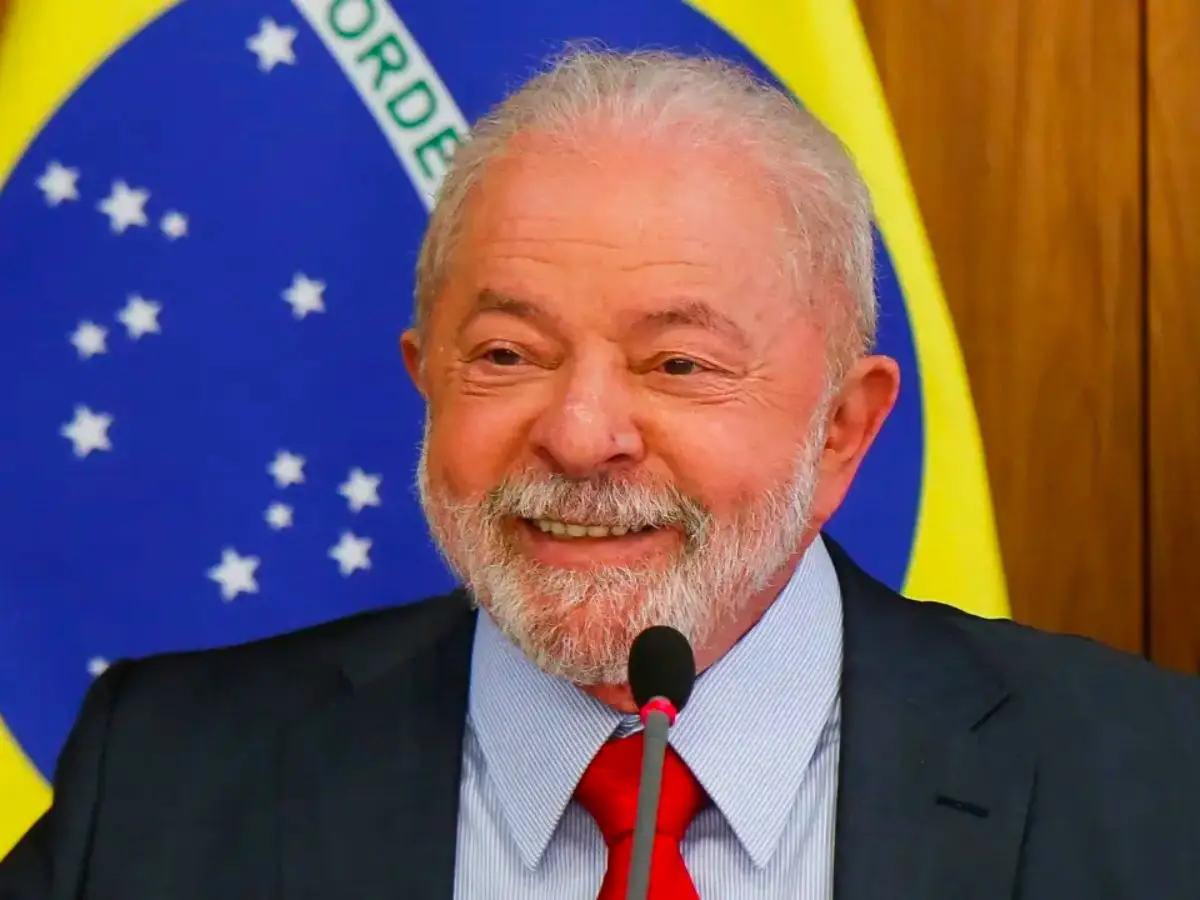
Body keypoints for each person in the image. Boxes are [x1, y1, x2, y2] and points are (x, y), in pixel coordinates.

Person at [2, 46, 1199, 900]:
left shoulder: (1154, 784)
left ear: (843, 427)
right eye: (507, 355)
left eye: (678, 364)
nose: (581, 436)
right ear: (427, 381)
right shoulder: (164, 778)